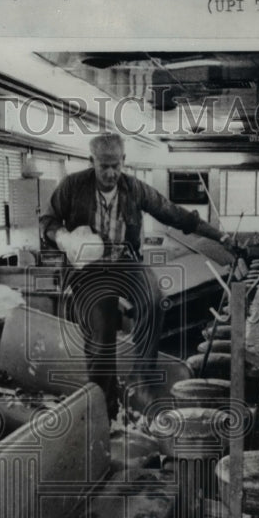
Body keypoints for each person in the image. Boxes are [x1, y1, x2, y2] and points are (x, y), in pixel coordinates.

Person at [39, 132, 237, 420]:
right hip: (88, 270)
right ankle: (102, 409)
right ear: (91, 160)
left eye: (116, 166)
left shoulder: (135, 189)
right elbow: (47, 220)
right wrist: (63, 237)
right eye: (103, 166)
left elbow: (175, 215)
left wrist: (219, 235)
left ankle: (141, 379)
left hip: (125, 261)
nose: (110, 173)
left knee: (153, 298)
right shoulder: (72, 185)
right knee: (102, 329)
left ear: (124, 161)